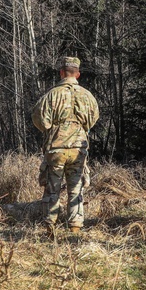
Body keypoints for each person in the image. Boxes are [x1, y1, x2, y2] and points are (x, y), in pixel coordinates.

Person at [32, 56, 99, 233]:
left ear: (61, 73)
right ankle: (75, 227)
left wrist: (51, 130)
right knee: (76, 188)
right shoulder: (87, 95)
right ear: (77, 74)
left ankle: (50, 227)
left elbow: (39, 118)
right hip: (78, 148)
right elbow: (93, 118)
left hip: (57, 147)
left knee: (52, 188)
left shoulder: (51, 95)